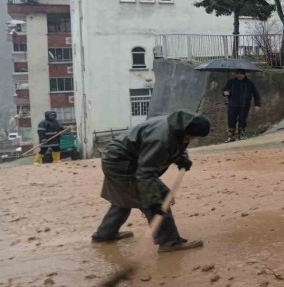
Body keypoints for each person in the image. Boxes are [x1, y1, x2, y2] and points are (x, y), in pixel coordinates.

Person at [91, 110, 210, 252]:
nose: (193, 139)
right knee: (156, 199)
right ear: (186, 130)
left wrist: (181, 157)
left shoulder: (177, 124)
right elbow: (146, 173)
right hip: (121, 164)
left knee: (123, 198)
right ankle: (169, 242)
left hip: (122, 158)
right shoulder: (160, 138)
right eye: (193, 136)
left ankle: (105, 234)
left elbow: (179, 142)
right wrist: (153, 202)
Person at [222, 70, 261, 142]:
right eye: (238, 74)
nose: (239, 75)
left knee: (242, 120)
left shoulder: (249, 83)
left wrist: (257, 105)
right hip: (232, 104)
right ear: (236, 74)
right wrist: (225, 92)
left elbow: (256, 95)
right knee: (231, 120)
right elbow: (223, 90)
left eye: (241, 74)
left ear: (244, 74)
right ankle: (231, 136)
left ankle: (241, 135)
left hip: (244, 105)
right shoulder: (231, 82)